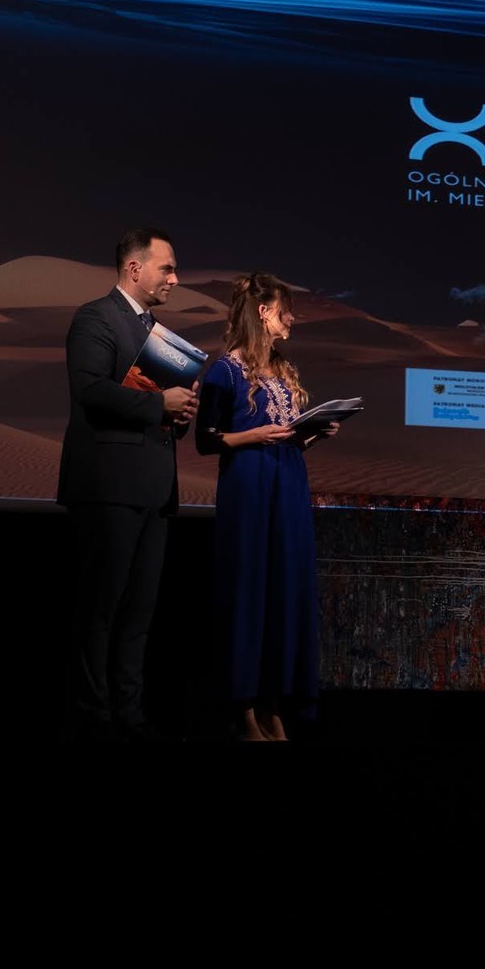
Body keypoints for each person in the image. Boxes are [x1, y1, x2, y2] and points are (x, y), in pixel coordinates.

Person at [57, 226, 199, 743]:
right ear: (134, 268)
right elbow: (91, 390)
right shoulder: (95, 317)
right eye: (168, 268)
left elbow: (160, 409)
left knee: (139, 613)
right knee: (101, 609)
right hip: (108, 486)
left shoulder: (159, 333)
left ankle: (131, 715)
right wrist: (158, 404)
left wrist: (180, 411)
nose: (175, 279)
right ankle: (93, 717)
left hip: (154, 490)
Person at [195, 272, 340, 742]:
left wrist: (314, 433)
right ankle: (243, 709)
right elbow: (205, 440)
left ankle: (274, 703)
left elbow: (285, 436)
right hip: (250, 489)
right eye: (285, 310)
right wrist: (254, 435)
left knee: (283, 591)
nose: (291, 319)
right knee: (249, 592)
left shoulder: (282, 368)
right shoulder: (225, 371)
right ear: (263, 312)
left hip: (288, 486)